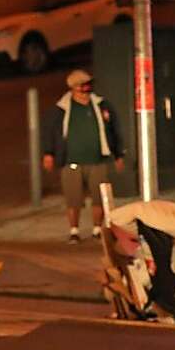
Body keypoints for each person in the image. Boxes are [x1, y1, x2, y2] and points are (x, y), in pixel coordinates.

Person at [44, 67, 123, 242]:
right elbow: (51, 132)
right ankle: (74, 230)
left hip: (97, 160)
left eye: (88, 85)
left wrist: (118, 154)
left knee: (98, 196)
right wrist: (48, 154)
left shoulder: (101, 105)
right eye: (82, 86)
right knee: (73, 198)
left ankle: (96, 229)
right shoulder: (62, 109)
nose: (86, 90)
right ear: (73, 88)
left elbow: (114, 130)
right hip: (71, 162)